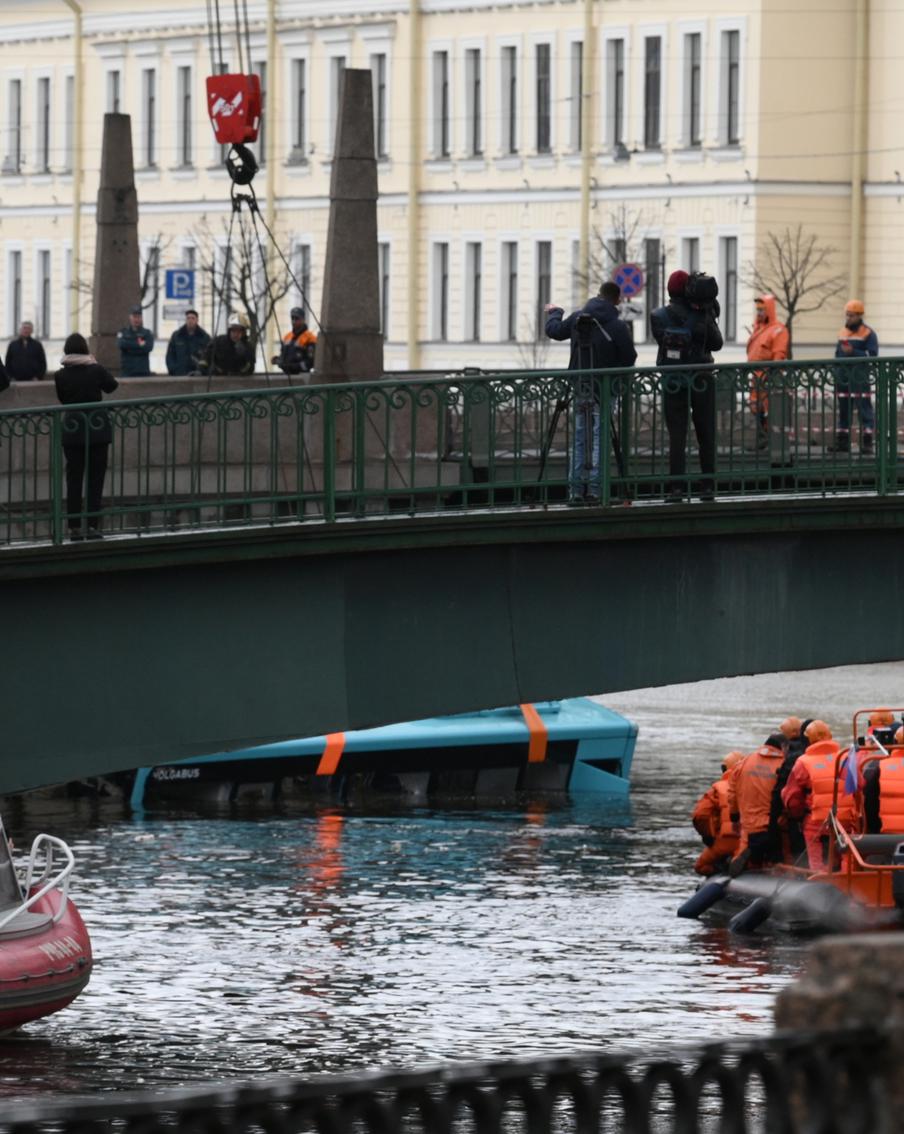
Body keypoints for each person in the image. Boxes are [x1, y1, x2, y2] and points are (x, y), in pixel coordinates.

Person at [544, 280, 637, 504]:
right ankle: (596, 490)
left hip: (580, 387)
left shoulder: (578, 318)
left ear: (598, 294)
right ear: (617, 300)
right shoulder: (617, 326)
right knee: (600, 438)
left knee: (579, 437)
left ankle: (575, 490)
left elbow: (554, 331)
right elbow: (629, 357)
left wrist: (555, 313)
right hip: (604, 390)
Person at [650, 270, 723, 502]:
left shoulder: (657, 316)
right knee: (706, 434)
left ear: (669, 290)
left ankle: (676, 489)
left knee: (677, 437)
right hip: (702, 378)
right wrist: (707, 314)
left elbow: (663, 343)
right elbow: (717, 344)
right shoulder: (702, 315)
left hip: (673, 381)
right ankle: (708, 487)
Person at [53, 332, 118, 540]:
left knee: (74, 479)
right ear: (85, 349)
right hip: (97, 429)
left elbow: (64, 400)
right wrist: (96, 364)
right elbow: (112, 386)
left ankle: (73, 527)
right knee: (95, 479)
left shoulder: (60, 375)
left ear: (66, 350)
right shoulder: (95, 369)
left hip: (73, 430)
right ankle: (91, 526)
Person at [780, 720, 850, 871]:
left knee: (813, 843)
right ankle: (848, 871)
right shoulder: (846, 757)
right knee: (848, 848)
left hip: (816, 820)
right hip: (846, 819)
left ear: (807, 740)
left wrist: (797, 816)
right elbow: (860, 784)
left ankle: (817, 872)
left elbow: (792, 798)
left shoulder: (803, 762)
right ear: (830, 736)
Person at [727, 734, 786, 871]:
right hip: (774, 823)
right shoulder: (784, 764)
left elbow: (732, 793)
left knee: (746, 857)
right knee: (780, 860)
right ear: (783, 747)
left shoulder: (745, 761)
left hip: (749, 823)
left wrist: (734, 817)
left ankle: (746, 860)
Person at [830, 298, 878, 454]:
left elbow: (872, 355)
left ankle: (867, 443)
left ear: (859, 316)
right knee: (844, 410)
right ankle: (842, 442)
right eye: (847, 315)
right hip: (843, 377)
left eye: (851, 315)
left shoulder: (868, 333)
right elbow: (837, 354)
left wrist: (853, 352)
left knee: (864, 409)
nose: (848, 318)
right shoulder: (842, 332)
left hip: (859, 377)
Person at [746, 295, 789, 451]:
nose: (759, 313)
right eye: (758, 310)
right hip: (756, 377)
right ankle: (762, 440)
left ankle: (771, 442)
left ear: (769, 310)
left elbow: (779, 353)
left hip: (767, 377)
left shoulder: (778, 330)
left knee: (769, 410)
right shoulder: (759, 329)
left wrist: (774, 375)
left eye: (762, 310)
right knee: (756, 408)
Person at [691, 751, 744, 875]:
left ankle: (721, 870)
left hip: (723, 842)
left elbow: (700, 815)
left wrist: (708, 836)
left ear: (724, 769)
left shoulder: (717, 789)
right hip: (748, 842)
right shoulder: (753, 787)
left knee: (700, 866)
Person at [272, 307, 317, 376]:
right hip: (286, 375)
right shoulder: (287, 337)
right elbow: (283, 356)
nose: (294, 321)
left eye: (296, 318)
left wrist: (293, 367)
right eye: (292, 318)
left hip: (302, 377)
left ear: (303, 320)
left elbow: (310, 362)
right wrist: (278, 360)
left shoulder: (310, 338)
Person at [165, 309, 211, 376]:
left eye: (193, 318)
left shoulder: (204, 337)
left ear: (197, 320)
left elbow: (209, 356)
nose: (190, 320)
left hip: (198, 374)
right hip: (179, 374)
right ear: (185, 320)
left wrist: (203, 371)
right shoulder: (177, 336)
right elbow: (170, 355)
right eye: (188, 318)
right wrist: (173, 369)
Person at [117, 305, 155, 377]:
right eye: (134, 317)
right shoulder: (123, 332)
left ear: (142, 318)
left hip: (143, 372)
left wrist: (129, 347)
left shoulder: (147, 333)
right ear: (130, 317)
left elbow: (148, 347)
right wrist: (139, 345)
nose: (136, 319)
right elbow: (121, 344)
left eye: (139, 317)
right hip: (127, 372)